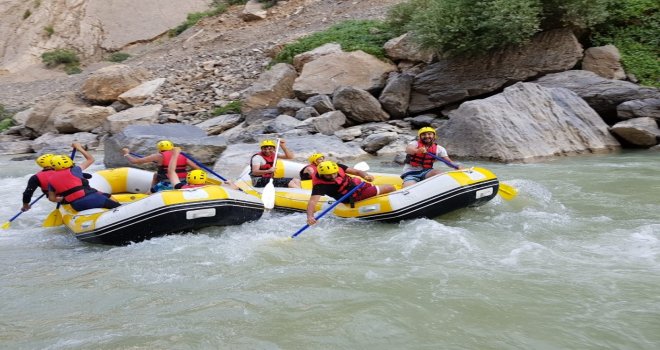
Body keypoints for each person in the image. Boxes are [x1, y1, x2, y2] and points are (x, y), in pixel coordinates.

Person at [306, 161, 395, 226]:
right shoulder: (320, 185)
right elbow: (312, 202)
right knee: (389, 188)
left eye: (334, 173)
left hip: (359, 186)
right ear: (322, 175)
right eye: (329, 175)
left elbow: (357, 172)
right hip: (352, 196)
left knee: (382, 188)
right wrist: (310, 217)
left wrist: (366, 176)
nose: (333, 177)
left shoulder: (338, 166)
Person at [47, 144, 121, 212]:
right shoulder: (75, 169)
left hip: (77, 205)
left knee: (105, 195)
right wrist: (79, 148)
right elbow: (90, 159)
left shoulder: (50, 180)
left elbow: (52, 199)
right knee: (119, 208)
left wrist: (61, 199)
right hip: (94, 199)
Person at [122, 140, 199, 192]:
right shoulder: (182, 155)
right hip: (183, 182)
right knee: (156, 175)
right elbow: (197, 169)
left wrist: (126, 154)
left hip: (167, 183)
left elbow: (134, 161)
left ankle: (151, 192)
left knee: (158, 175)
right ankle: (151, 190)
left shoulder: (157, 156)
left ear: (159, 149)